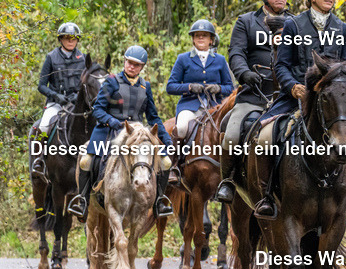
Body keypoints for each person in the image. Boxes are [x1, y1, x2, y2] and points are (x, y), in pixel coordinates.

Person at [253, 0, 346, 220]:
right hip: (297, 97)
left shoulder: (343, 28)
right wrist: (291, 86)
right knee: (265, 136)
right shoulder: (293, 25)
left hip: (335, 102)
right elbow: (282, 65)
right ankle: (266, 197)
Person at [67, 46, 174, 221]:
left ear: (142, 67)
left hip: (137, 131)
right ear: (124, 61)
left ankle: (159, 202)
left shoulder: (145, 86)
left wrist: (165, 139)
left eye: (136, 65)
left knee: (166, 161)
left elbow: (153, 116)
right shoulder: (111, 82)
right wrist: (114, 122)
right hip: (110, 128)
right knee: (86, 161)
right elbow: (98, 110)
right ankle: (83, 202)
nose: (132, 67)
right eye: (129, 62)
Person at [215, 0, 291, 203]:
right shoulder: (246, 22)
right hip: (254, 95)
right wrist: (244, 73)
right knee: (232, 132)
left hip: (288, 97)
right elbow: (236, 53)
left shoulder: (296, 23)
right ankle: (227, 181)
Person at [165, 19, 233, 183]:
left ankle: (230, 171)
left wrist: (218, 89)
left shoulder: (220, 60)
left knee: (230, 132)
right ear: (193, 39)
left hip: (214, 107)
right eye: (197, 36)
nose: (201, 38)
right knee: (181, 127)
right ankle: (174, 166)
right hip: (190, 106)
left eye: (205, 36)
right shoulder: (183, 59)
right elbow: (170, 86)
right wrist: (189, 87)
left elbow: (230, 87)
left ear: (211, 39)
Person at [31, 22, 88, 175]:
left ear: (77, 40)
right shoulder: (51, 57)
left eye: (74, 38)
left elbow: (86, 85)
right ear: (61, 39)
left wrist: (77, 96)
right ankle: (40, 160)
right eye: (67, 38)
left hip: (75, 104)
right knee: (42, 126)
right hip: (56, 104)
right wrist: (56, 96)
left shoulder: (82, 58)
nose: (71, 41)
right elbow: (41, 85)